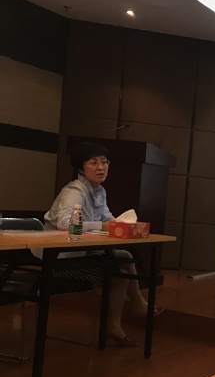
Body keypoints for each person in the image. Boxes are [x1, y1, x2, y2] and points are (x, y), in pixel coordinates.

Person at [43, 141, 160, 348]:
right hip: (59, 258)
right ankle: (129, 312)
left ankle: (129, 312)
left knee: (123, 259)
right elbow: (65, 224)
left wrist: (123, 225)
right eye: (93, 163)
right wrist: (102, 226)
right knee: (118, 273)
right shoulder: (74, 191)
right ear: (81, 168)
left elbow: (108, 219)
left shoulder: (99, 191)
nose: (101, 167)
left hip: (82, 253)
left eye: (104, 162)